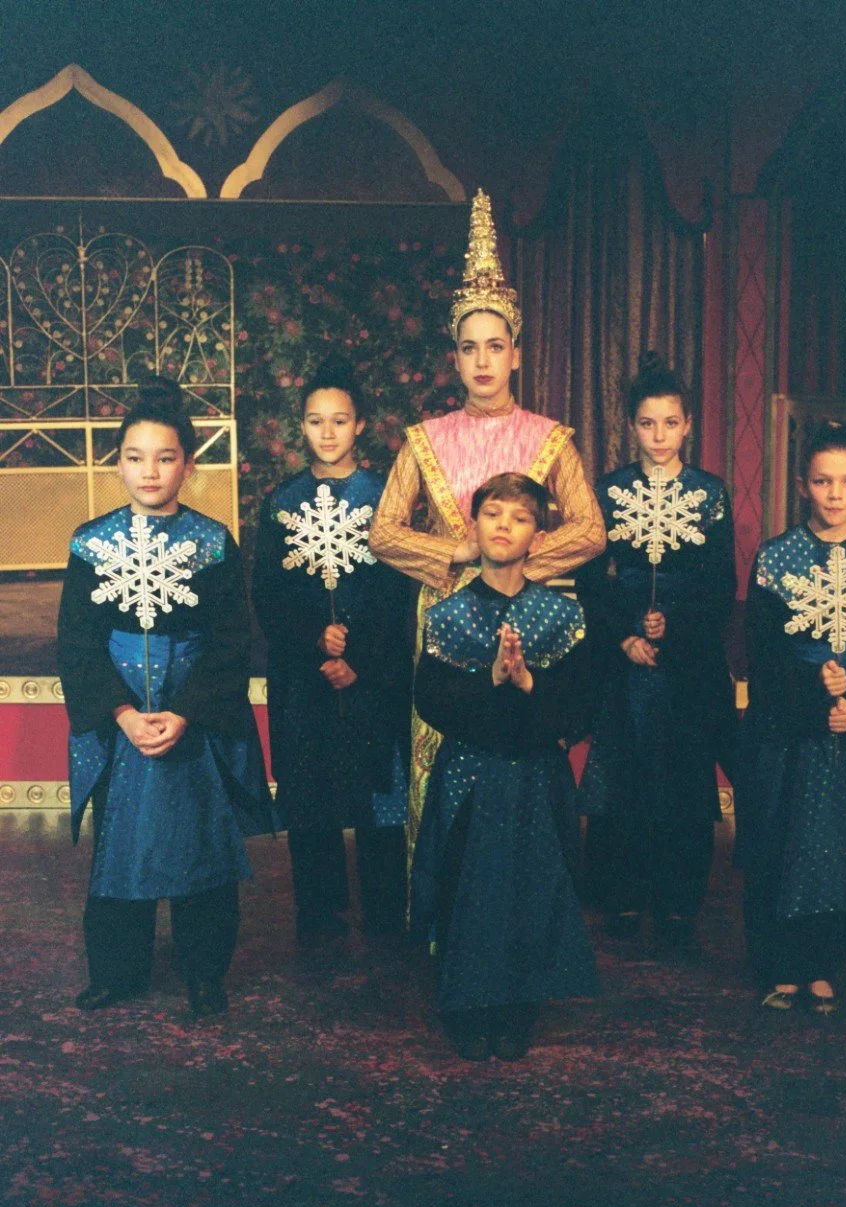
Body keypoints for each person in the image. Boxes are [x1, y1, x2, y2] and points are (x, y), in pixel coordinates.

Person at [368, 188, 605, 851]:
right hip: (445, 615)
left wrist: (517, 563)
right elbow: (383, 531)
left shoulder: (550, 437)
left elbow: (590, 529)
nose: (481, 361)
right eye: (469, 348)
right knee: (443, 762)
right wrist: (464, 556)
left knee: (523, 758)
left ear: (516, 354)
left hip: (533, 617)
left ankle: (528, 894)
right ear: (455, 357)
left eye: (494, 346)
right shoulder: (424, 437)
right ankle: (443, 905)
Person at [57, 378, 278, 1017]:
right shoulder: (89, 542)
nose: (148, 471)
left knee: (200, 845)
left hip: (193, 718)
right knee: (121, 846)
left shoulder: (213, 544)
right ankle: (117, 971)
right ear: (117, 463)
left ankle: (205, 972)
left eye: (164, 457)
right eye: (134, 457)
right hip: (122, 722)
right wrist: (122, 714)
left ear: (188, 464)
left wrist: (185, 712)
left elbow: (232, 641)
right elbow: (77, 642)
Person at [411, 473, 597, 1061]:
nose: (502, 527)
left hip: (535, 781)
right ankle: (468, 1006)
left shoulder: (561, 617)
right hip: (470, 776)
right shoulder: (448, 615)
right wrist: (491, 684)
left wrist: (528, 681)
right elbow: (432, 702)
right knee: (468, 888)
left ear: (536, 537)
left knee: (530, 888)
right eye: (492, 515)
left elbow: (579, 706)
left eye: (518, 519)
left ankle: (518, 1008)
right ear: (474, 526)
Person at [739, 419, 846, 1014]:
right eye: (821, 481)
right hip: (788, 733)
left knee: (838, 847)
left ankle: (823, 965)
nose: (833, 494)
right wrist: (815, 696)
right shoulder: (775, 559)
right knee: (779, 842)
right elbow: (760, 655)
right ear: (803, 485)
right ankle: (778, 965)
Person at [576, 355, 737, 953]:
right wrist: (624, 636)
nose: (660, 436)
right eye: (648, 424)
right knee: (623, 783)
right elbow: (591, 580)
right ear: (632, 427)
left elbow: (721, 585)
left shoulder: (710, 494)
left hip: (687, 662)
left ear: (688, 424)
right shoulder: (609, 491)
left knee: (682, 782)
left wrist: (675, 630)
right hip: (624, 661)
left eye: (671, 423)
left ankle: (677, 906)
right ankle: (621, 898)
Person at [252, 354, 410, 943]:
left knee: (378, 789)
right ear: (301, 425)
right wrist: (316, 642)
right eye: (315, 421)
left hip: (373, 674)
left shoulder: (386, 497)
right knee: (310, 789)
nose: (327, 433)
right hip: (303, 675)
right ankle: (318, 913)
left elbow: (398, 593)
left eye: (339, 420)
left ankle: (387, 912)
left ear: (360, 424)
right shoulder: (281, 502)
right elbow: (267, 592)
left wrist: (358, 656)